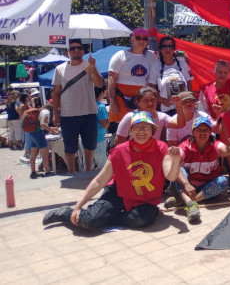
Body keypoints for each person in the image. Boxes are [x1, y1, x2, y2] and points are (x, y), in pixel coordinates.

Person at [42, 112, 182, 230]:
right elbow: (99, 180)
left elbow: (171, 176)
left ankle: (106, 217)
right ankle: (66, 213)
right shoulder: (120, 151)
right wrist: (78, 206)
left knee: (141, 220)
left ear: (152, 130)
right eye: (137, 127)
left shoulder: (162, 148)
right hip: (119, 192)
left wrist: (175, 160)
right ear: (130, 130)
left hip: (145, 198)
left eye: (146, 127)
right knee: (91, 222)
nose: (141, 131)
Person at [165, 117, 230, 223]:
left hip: (206, 186)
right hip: (188, 184)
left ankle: (188, 202)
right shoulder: (186, 145)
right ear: (193, 132)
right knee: (178, 168)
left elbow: (226, 150)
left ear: (210, 132)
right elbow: (178, 157)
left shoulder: (216, 145)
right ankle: (189, 203)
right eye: (199, 130)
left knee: (223, 181)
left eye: (206, 130)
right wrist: (175, 155)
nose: (202, 133)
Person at [52, 39, 104, 172]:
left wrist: (93, 68)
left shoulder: (89, 65)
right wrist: (55, 113)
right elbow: (56, 93)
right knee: (70, 146)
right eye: (73, 48)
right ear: (67, 52)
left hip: (89, 111)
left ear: (83, 50)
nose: (76, 50)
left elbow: (99, 84)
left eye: (79, 48)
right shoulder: (60, 69)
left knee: (90, 145)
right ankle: (71, 171)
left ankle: (88, 170)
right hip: (68, 113)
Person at [108, 28, 159, 125]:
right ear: (132, 39)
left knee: (141, 125)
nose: (141, 41)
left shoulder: (151, 55)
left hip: (141, 99)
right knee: (122, 127)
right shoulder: (120, 55)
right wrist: (112, 102)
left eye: (144, 39)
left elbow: (167, 54)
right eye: (138, 38)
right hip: (121, 98)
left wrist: (181, 54)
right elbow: (111, 79)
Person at [113, 87, 184, 146]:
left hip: (152, 156)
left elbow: (180, 124)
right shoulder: (130, 117)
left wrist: (178, 106)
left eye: (153, 100)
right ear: (138, 102)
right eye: (145, 100)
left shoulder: (161, 117)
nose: (150, 103)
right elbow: (119, 140)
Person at [148, 36, 192, 116]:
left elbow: (188, 82)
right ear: (160, 49)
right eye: (164, 46)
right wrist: (161, 100)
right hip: (165, 108)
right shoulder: (155, 66)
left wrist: (189, 98)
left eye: (171, 46)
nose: (168, 49)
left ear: (174, 49)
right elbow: (152, 87)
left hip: (183, 105)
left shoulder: (182, 63)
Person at [27, 103, 59, 179]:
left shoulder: (41, 111)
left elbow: (41, 124)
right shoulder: (46, 112)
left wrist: (51, 128)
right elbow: (42, 124)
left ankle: (33, 172)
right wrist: (52, 130)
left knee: (33, 154)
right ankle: (47, 171)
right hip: (39, 134)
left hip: (33, 132)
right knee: (45, 153)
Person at [94, 86, 110, 169]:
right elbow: (104, 125)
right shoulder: (101, 107)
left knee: (87, 167)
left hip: (85, 140)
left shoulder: (87, 105)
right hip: (99, 140)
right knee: (103, 167)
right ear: (102, 93)